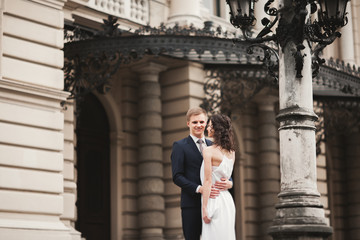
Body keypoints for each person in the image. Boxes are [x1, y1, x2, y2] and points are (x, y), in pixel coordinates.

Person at [171, 107, 232, 240]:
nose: (198, 125)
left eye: (201, 122)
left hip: (214, 203)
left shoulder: (214, 145)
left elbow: (223, 169)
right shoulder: (179, 146)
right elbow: (177, 176)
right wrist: (200, 189)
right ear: (188, 123)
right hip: (191, 205)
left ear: (206, 123)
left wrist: (230, 182)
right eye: (194, 122)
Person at [200, 113, 236, 240]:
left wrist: (204, 208)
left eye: (210, 126)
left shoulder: (208, 151)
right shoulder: (232, 153)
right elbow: (227, 178)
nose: (207, 129)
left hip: (213, 200)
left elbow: (208, 180)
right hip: (228, 201)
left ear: (217, 129)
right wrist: (230, 184)